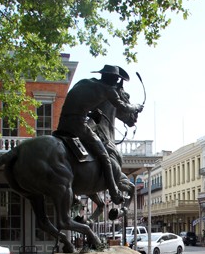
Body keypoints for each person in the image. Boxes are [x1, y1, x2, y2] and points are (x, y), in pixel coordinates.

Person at [53, 65, 143, 205]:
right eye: (116, 79)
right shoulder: (108, 90)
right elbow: (124, 108)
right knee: (105, 157)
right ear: (114, 79)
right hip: (78, 125)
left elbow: (76, 103)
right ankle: (114, 192)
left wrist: (90, 113)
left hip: (62, 124)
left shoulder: (84, 82)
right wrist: (137, 107)